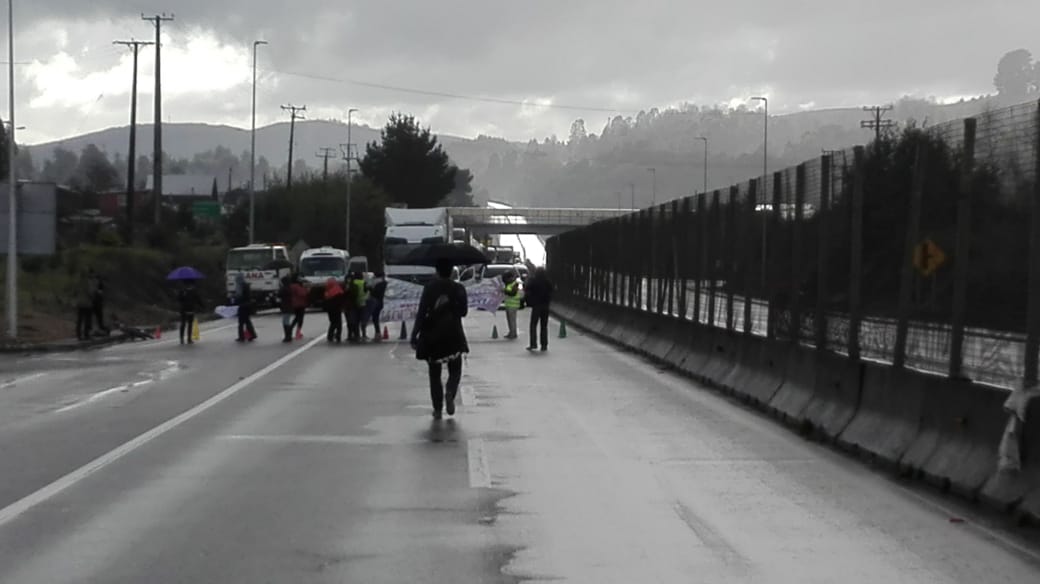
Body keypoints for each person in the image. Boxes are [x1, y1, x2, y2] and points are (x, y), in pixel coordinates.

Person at [411, 258, 469, 420]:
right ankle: (450, 391)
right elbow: (463, 312)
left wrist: (414, 334)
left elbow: (422, 311)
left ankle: (437, 409)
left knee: (434, 374)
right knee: (455, 369)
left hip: (432, 336)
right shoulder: (458, 288)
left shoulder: (429, 288)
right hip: (454, 335)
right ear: (451, 271)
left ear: (436, 271)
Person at [524, 267, 554, 352]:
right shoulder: (547, 281)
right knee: (544, 326)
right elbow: (551, 291)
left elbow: (527, 289)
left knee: (533, 325)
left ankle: (533, 344)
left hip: (536, 305)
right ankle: (544, 345)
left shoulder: (534, 281)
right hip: (545, 306)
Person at [344, 271, 366, 343]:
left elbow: (352, 294)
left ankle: (354, 335)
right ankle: (358, 335)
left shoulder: (353, 284)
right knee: (357, 320)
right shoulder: (363, 282)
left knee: (353, 321)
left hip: (353, 305)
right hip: (359, 304)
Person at [235, 274, 257, 342]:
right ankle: (251, 335)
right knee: (247, 321)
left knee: (241, 322)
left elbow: (240, 296)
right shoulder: (246, 285)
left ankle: (242, 336)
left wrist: (236, 299)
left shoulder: (241, 286)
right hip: (247, 305)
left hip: (243, 306)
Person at [367, 271, 388, 341]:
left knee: (375, 318)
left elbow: (375, 293)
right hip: (379, 303)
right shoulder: (383, 282)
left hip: (376, 303)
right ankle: (377, 334)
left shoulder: (380, 284)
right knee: (375, 318)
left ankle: (378, 334)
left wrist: (370, 288)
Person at [324, 277, 345, 343]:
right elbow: (341, 299)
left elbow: (326, 300)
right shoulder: (337, 290)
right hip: (336, 309)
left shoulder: (327, 291)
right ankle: (338, 336)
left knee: (333, 322)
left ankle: (330, 336)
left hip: (330, 310)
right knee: (338, 323)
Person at [75, 271, 95, 341]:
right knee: (87, 319)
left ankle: (78, 335)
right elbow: (90, 293)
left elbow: (75, 292)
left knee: (79, 320)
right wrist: (93, 298)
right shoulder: (88, 282)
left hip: (79, 303)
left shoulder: (78, 282)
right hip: (87, 303)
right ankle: (86, 334)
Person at [502, 271, 521, 340]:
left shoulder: (515, 284)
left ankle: (513, 333)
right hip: (509, 304)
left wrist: (504, 291)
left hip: (513, 305)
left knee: (512, 320)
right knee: (509, 320)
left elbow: (512, 293)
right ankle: (511, 332)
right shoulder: (509, 284)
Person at [88, 269, 109, 335]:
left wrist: (97, 292)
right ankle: (93, 330)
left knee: (99, 317)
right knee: (92, 317)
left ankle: (100, 329)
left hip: (97, 302)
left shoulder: (98, 282)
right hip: (91, 302)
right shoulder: (88, 281)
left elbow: (101, 292)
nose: (93, 276)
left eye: (94, 275)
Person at [278, 275, 294, 343]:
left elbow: (279, 294)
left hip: (285, 306)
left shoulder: (284, 288)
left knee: (285, 321)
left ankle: (288, 336)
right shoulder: (290, 288)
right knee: (286, 321)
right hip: (289, 306)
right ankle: (288, 335)